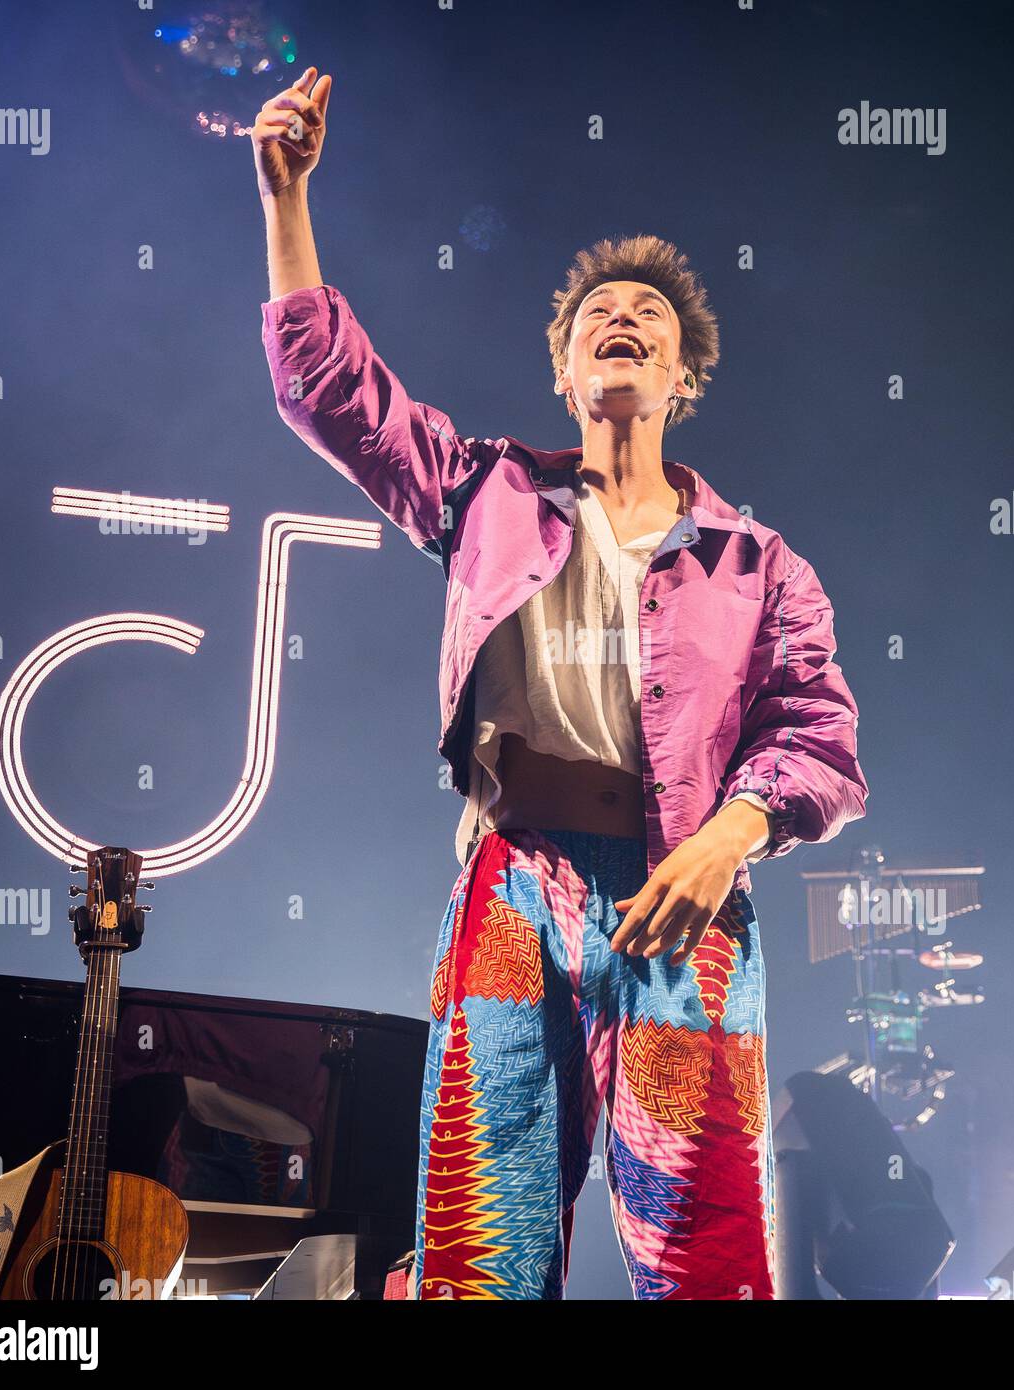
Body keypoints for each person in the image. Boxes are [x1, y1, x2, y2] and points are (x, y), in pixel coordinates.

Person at [254, 67, 868, 1300]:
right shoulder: (488, 493)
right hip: (513, 890)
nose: (621, 318)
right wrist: (285, 198)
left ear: (682, 372)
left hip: (681, 902)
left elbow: (817, 738)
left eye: (647, 312)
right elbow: (331, 392)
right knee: (483, 1247)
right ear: (563, 369)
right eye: (597, 315)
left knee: (704, 1252)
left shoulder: (760, 561)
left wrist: (723, 844)